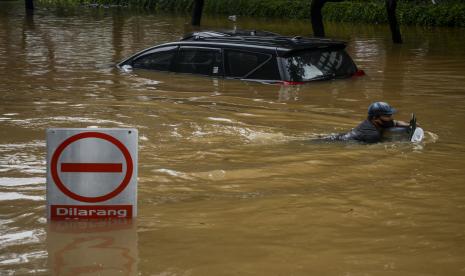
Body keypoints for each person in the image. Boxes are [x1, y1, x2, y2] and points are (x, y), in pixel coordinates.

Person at [328, 102, 409, 143]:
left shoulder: (379, 121)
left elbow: (395, 122)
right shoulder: (372, 134)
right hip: (344, 141)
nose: (391, 118)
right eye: (387, 116)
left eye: (391, 115)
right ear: (375, 118)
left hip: (342, 136)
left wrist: (408, 125)